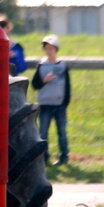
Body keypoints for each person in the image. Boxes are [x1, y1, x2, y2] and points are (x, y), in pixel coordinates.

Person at [32, 34, 70, 166]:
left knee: (62, 132)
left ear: (56, 49)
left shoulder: (63, 66)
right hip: (45, 105)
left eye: (51, 48)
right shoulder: (41, 66)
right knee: (43, 133)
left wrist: (64, 103)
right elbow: (35, 84)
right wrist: (44, 81)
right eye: (47, 48)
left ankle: (64, 156)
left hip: (59, 105)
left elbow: (67, 87)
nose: (49, 51)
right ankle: (44, 157)